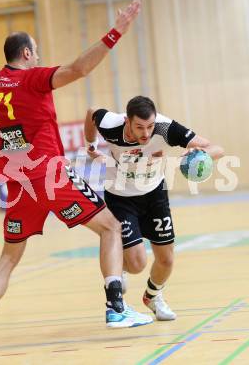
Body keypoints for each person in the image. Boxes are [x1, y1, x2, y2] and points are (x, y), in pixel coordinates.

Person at [0, 0, 152, 352]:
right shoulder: (33, 79)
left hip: (14, 183)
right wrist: (116, 31)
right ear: (27, 54)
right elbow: (79, 68)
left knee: (9, 256)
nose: (40, 56)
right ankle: (116, 308)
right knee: (110, 227)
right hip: (49, 174)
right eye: (37, 51)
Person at [84, 95, 224, 321]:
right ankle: (119, 268)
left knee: (166, 260)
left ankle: (153, 297)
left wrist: (199, 154)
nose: (146, 133)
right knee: (137, 263)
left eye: (150, 126)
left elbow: (218, 148)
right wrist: (90, 144)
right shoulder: (110, 124)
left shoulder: (166, 128)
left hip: (154, 194)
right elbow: (91, 112)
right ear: (127, 121)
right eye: (139, 127)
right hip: (121, 196)